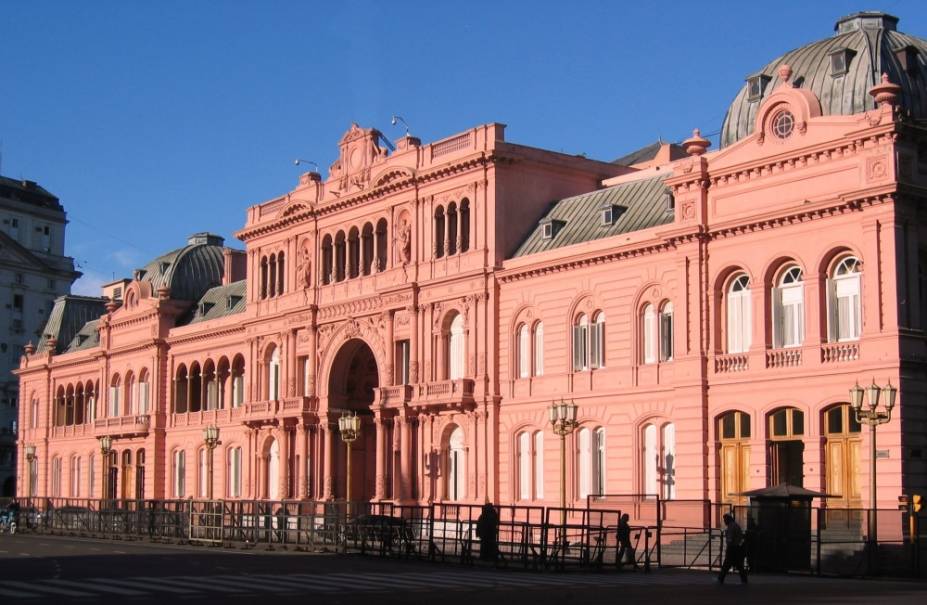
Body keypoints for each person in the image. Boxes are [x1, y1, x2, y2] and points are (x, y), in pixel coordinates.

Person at [718, 512, 748, 584]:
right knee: (738, 565)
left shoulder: (731, 526)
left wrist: (728, 546)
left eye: (725, 520)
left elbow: (730, 539)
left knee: (727, 564)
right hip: (737, 548)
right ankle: (744, 580)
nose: (724, 521)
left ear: (728, 520)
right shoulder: (735, 525)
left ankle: (721, 579)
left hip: (733, 548)